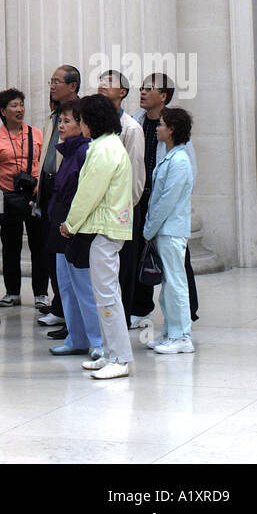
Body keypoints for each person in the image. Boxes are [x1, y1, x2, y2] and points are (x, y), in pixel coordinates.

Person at [60, 94, 133, 380]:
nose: (80, 124)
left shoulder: (104, 149)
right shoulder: (106, 146)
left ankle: (121, 358)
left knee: (106, 295)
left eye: (80, 119)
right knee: (105, 294)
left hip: (105, 229)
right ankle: (111, 353)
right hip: (105, 228)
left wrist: (71, 223)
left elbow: (89, 192)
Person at [132, 73, 199, 327]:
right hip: (140, 195)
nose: (143, 92)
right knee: (140, 252)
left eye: (149, 89)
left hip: (164, 202)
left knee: (177, 264)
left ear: (163, 96)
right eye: (141, 87)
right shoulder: (136, 122)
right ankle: (139, 308)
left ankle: (186, 315)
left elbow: (187, 171)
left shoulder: (174, 126)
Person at [45, 101, 102, 359]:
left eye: (68, 121)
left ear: (82, 125)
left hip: (76, 225)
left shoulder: (86, 151)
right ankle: (76, 337)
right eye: (61, 121)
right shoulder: (67, 151)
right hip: (61, 223)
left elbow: (84, 192)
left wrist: (74, 223)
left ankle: (98, 340)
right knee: (65, 284)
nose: (62, 126)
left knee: (83, 286)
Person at [142, 107, 196, 354]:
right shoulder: (171, 157)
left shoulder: (180, 161)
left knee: (175, 283)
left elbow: (166, 201)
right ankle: (170, 332)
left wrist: (148, 229)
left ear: (172, 129)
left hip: (171, 230)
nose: (157, 127)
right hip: (164, 230)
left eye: (162, 124)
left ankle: (182, 336)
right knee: (168, 285)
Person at [96, 70, 145, 323]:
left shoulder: (131, 128)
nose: (103, 85)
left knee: (123, 268)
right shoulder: (94, 125)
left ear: (123, 92)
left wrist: (125, 207)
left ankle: (122, 319)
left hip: (122, 210)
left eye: (110, 82)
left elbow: (135, 174)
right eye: (101, 81)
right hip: (98, 209)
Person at [0, 88, 46, 307]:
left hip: (34, 195)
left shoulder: (36, 133)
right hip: (8, 195)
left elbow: (43, 164)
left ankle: (41, 293)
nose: (19, 109)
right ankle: (12, 292)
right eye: (14, 106)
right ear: (3, 111)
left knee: (38, 245)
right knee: (10, 245)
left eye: (21, 104)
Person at [36, 65, 80, 331]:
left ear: (72, 86)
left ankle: (68, 311)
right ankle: (58, 304)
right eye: (50, 81)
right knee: (50, 248)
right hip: (49, 184)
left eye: (57, 81)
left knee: (66, 249)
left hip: (68, 185)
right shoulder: (53, 115)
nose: (52, 86)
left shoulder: (79, 114)